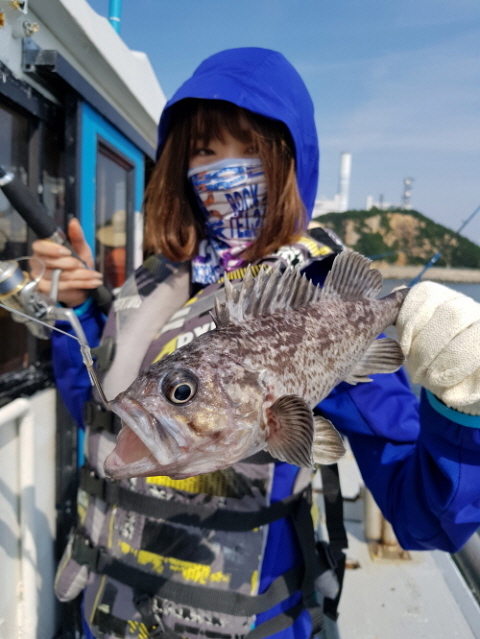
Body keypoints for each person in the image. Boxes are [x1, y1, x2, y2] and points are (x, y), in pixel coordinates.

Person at [31, 48, 480, 639]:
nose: (224, 170)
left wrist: (461, 405)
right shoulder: (156, 281)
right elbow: (100, 412)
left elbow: (424, 518)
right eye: (204, 150)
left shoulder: (317, 306)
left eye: (249, 149)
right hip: (107, 610)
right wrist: (78, 312)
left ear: (291, 162)